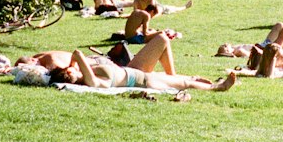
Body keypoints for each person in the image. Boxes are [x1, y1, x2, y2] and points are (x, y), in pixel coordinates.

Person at [50, 39, 237, 94]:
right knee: (184, 84)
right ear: (69, 73)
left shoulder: (89, 76)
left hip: (139, 74)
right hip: (145, 82)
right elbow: (78, 53)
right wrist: (73, 64)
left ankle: (206, 83)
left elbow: (76, 56)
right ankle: (217, 87)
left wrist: (72, 66)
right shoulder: (91, 81)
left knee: (184, 80)